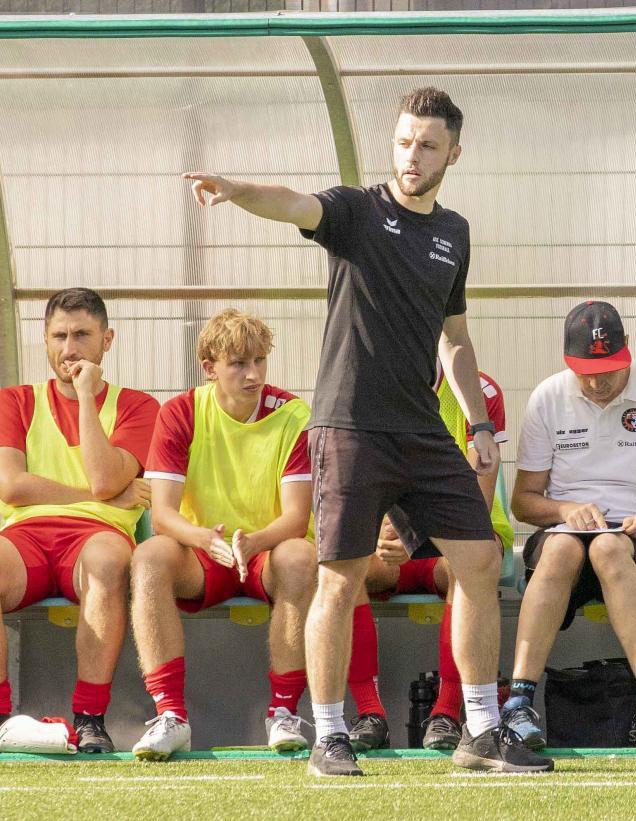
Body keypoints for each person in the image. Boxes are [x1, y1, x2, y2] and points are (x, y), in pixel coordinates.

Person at [182, 86, 551, 775]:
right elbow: (292, 202)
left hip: (423, 430)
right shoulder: (355, 212)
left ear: (453, 154)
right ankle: (329, 735)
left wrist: (477, 422)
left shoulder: (453, 233)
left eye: (428, 145)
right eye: (405, 142)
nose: (413, 156)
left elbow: (456, 339)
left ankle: (479, 731)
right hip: (349, 427)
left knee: (477, 562)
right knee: (342, 577)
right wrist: (233, 189)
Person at [504, 301, 636, 752]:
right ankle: (518, 703)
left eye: (609, 370)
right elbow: (523, 503)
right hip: (562, 539)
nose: (597, 382)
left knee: (609, 548)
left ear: (628, 350)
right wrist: (564, 511)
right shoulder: (547, 397)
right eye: (585, 371)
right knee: (563, 549)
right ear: (566, 361)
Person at [130, 309, 317, 760]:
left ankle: (284, 712)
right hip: (204, 552)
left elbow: (295, 518)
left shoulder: (293, 413)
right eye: (238, 363)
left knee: (299, 557)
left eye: (260, 361)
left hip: (265, 550)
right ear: (209, 367)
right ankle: (170, 715)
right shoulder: (181, 411)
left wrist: (253, 542)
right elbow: (163, 515)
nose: (253, 374)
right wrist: (201, 538)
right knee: (151, 556)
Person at [0, 288, 158, 754]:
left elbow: (106, 474)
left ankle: (90, 719)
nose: (70, 348)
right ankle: (2, 720)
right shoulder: (16, 400)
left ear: (107, 340)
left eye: (83, 335)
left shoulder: (137, 405)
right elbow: (11, 487)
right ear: (45, 341)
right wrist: (101, 493)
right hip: (22, 535)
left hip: (97, 534)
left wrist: (87, 396)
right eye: (60, 336)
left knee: (109, 563)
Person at [347, 363, 515, 753]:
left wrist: (415, 535)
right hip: (389, 550)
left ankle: (446, 713)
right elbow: (353, 486)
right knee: (344, 568)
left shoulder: (481, 392)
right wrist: (376, 536)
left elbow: (477, 510)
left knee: (471, 561)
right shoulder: (364, 386)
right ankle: (369, 714)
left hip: (456, 543)